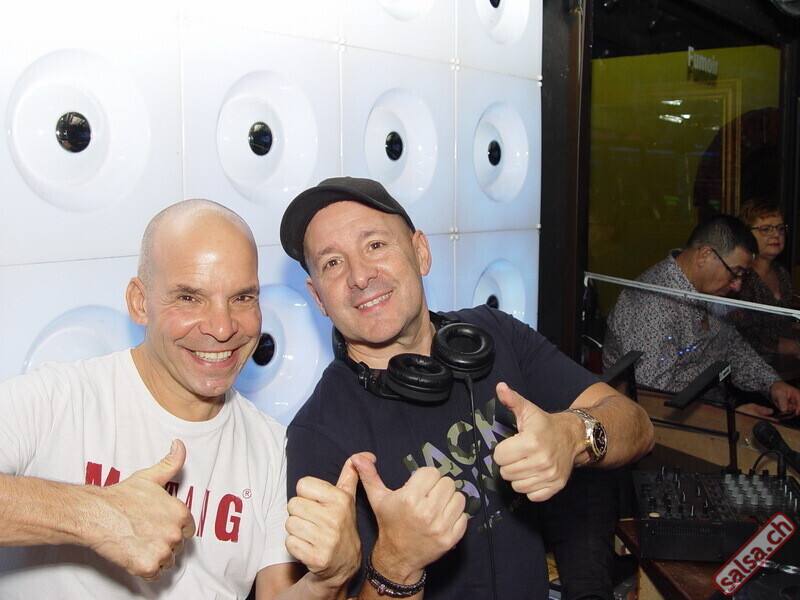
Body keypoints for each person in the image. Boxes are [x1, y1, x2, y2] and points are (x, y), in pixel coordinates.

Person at [279, 176, 654, 599]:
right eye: (332, 263)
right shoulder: (317, 434)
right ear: (318, 297)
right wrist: (397, 562)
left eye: (375, 245)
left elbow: (638, 426)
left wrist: (573, 435)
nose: (360, 276)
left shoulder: (494, 334)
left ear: (421, 252)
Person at [0, 199, 361, 599]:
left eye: (242, 298)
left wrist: (328, 580)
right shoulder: (57, 398)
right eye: (189, 298)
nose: (222, 328)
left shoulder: (274, 450)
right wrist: (97, 514)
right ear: (140, 302)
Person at [604, 214, 800, 418]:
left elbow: (731, 347)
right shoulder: (651, 303)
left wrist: (772, 384)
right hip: (663, 425)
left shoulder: (709, 291)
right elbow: (654, 398)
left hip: (713, 410)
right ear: (704, 255)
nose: (737, 286)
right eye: (735, 273)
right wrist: (729, 418)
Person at [729, 198, 800, 360]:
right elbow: (737, 333)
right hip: (748, 363)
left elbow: (784, 326)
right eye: (766, 229)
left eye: (780, 228)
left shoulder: (782, 273)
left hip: (787, 364)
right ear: (747, 234)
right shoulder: (740, 277)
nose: (776, 234)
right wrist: (784, 346)